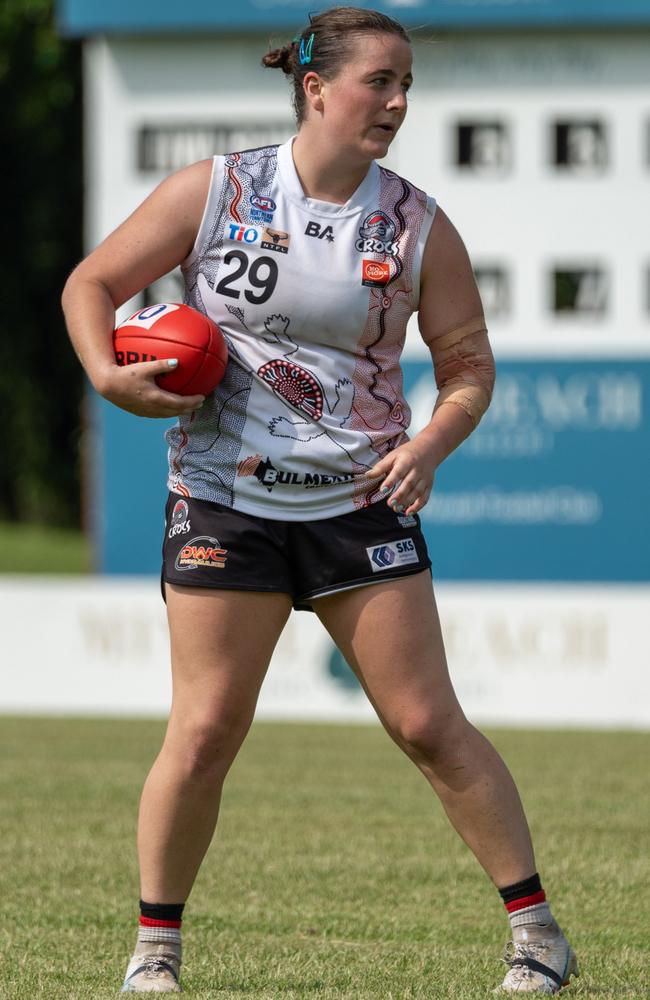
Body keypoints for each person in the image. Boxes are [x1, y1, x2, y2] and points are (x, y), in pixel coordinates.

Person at [62, 6, 578, 994]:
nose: (395, 102)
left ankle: (538, 934)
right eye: (378, 82)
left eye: (404, 86)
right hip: (222, 497)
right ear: (314, 88)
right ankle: (154, 955)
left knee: (426, 723)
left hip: (359, 499)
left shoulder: (418, 223)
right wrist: (106, 372)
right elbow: (91, 283)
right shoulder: (215, 190)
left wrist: (430, 441)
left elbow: (467, 367)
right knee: (206, 727)